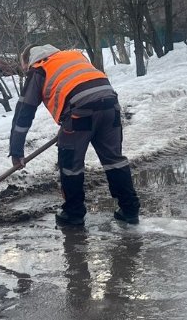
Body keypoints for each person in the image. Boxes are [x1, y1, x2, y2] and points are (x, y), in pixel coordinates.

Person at [9, 44, 141, 227]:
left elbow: (24, 111)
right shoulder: (74, 56)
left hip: (80, 113)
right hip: (110, 106)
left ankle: (73, 213)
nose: (26, 72)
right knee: (114, 159)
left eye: (25, 69)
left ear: (28, 60)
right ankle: (130, 210)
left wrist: (16, 150)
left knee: (70, 163)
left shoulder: (38, 68)